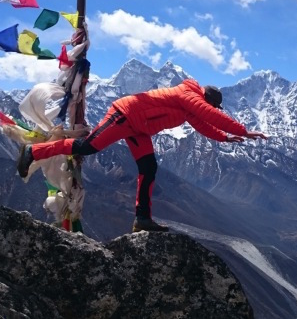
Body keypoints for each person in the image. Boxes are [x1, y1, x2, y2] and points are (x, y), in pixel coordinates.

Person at [16, 79, 268, 232]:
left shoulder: (189, 106)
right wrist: (244, 131)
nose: (210, 109)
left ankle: (142, 218)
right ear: (207, 99)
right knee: (87, 147)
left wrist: (226, 137)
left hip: (139, 127)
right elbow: (210, 116)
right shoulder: (188, 96)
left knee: (148, 168)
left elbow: (203, 123)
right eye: (211, 106)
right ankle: (34, 151)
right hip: (124, 115)